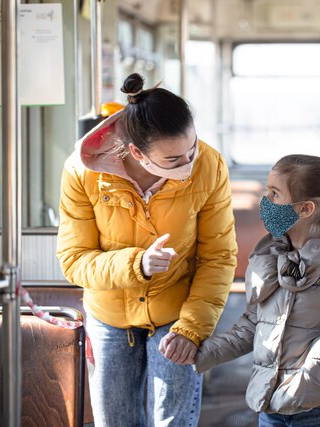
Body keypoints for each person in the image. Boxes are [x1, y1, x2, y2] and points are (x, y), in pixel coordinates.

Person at [160, 154, 320, 426]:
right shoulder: (270, 257)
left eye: (275, 194)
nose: (265, 201)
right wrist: (200, 353)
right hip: (270, 404)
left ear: (305, 209)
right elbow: (252, 326)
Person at [57, 73, 237, 427]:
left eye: (192, 149)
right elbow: (73, 260)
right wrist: (137, 264)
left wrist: (192, 328)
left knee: (173, 420)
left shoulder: (209, 165)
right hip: (110, 312)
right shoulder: (82, 173)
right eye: (173, 160)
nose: (187, 165)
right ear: (137, 153)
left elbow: (219, 255)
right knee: (116, 420)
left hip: (178, 309)